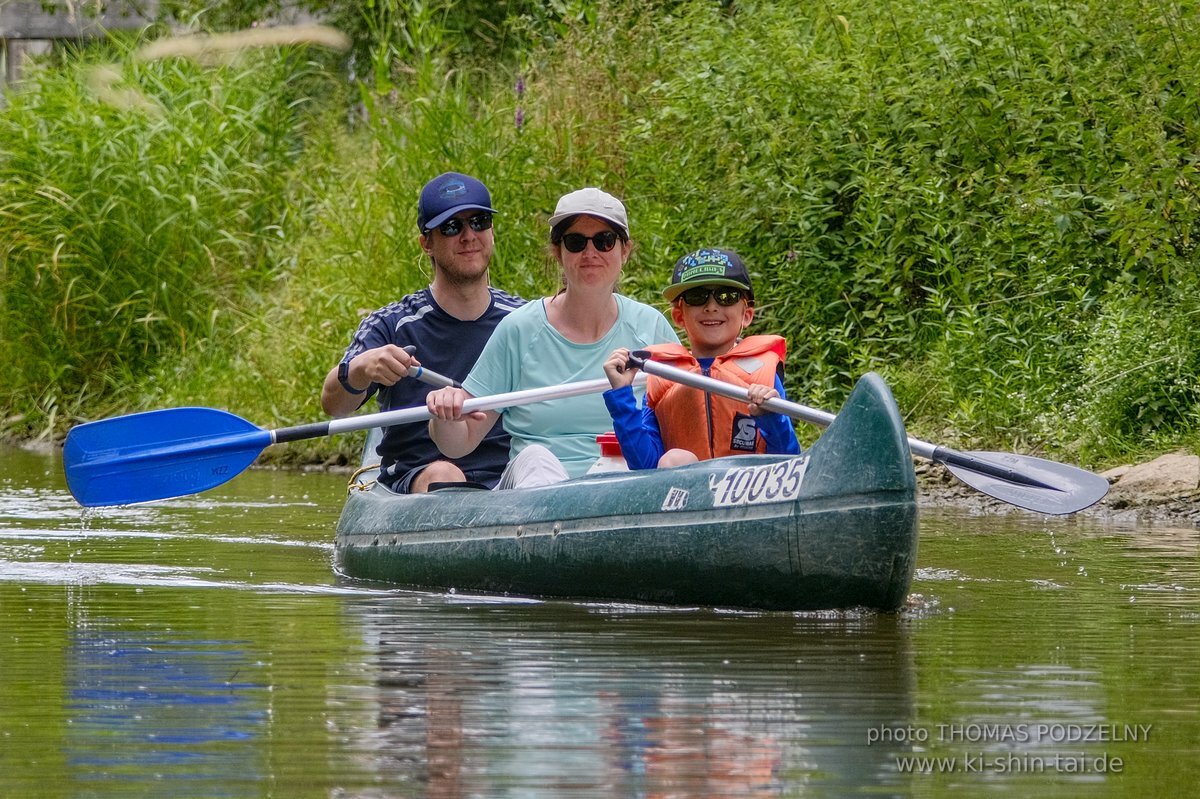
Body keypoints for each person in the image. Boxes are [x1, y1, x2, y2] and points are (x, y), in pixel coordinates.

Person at [425, 187, 680, 488]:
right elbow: (459, 443)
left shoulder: (650, 326)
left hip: (623, 487)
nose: (590, 253)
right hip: (536, 494)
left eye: (604, 241)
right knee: (536, 458)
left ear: (624, 250)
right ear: (558, 252)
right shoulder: (519, 329)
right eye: (575, 242)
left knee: (641, 464)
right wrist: (446, 415)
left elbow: (685, 421)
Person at [321, 172, 524, 492]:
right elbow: (334, 405)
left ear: (492, 231)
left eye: (479, 221)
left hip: (511, 476)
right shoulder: (391, 324)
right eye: (452, 227)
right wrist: (361, 369)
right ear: (426, 243)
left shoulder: (523, 320)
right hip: (421, 477)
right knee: (445, 475)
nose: (469, 235)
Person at [601, 247, 801, 469]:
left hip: (748, 493)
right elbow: (644, 465)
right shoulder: (665, 376)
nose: (711, 307)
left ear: (746, 315)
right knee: (675, 459)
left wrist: (772, 417)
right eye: (697, 297)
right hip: (688, 497)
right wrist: (622, 396)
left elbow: (787, 461)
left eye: (726, 296)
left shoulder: (762, 377)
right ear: (679, 316)